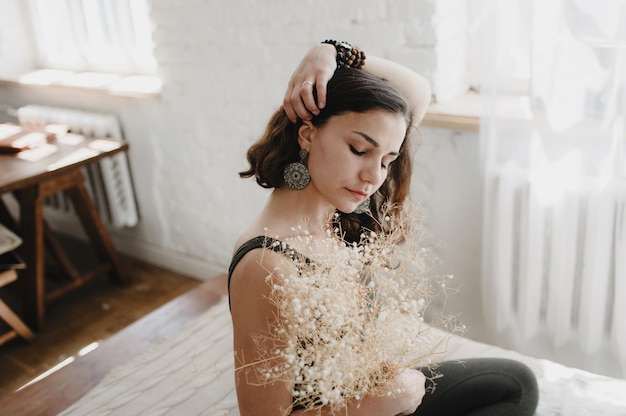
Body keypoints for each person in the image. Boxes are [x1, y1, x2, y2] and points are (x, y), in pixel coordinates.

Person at [228, 40, 539, 416]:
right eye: (359, 150)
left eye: (387, 160)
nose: (373, 176)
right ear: (307, 134)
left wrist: (332, 54)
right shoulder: (266, 264)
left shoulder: (336, 214)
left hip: (372, 394)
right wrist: (373, 404)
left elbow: (417, 96)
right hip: (356, 409)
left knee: (515, 383)